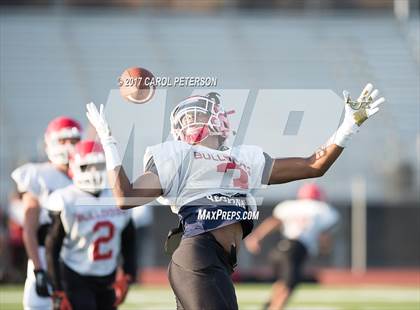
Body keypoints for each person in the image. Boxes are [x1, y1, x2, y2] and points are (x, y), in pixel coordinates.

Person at [86, 83, 384, 309]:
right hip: (196, 256)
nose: (200, 120)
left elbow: (313, 166)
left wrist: (348, 126)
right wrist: (109, 141)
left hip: (218, 263)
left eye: (201, 114)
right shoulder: (177, 155)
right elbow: (125, 198)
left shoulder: (245, 158)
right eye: (194, 116)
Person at [45, 140, 137, 310]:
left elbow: (129, 237)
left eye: (99, 165)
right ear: (74, 167)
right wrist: (57, 289)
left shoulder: (117, 197)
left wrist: (128, 274)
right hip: (75, 273)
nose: (94, 172)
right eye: (87, 166)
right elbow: (52, 247)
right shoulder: (66, 199)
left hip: (108, 274)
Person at [11, 116, 82, 310]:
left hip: (78, 259)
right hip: (46, 256)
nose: (69, 146)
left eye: (74, 141)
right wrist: (38, 268)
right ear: (49, 143)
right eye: (62, 140)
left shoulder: (86, 177)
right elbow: (30, 229)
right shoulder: (38, 175)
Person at [245, 183, 339, 310]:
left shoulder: (289, 206)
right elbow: (324, 236)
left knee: (284, 282)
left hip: (279, 249)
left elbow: (274, 222)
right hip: (296, 250)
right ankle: (274, 307)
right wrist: (325, 248)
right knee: (289, 285)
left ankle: (268, 305)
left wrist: (256, 237)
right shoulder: (323, 209)